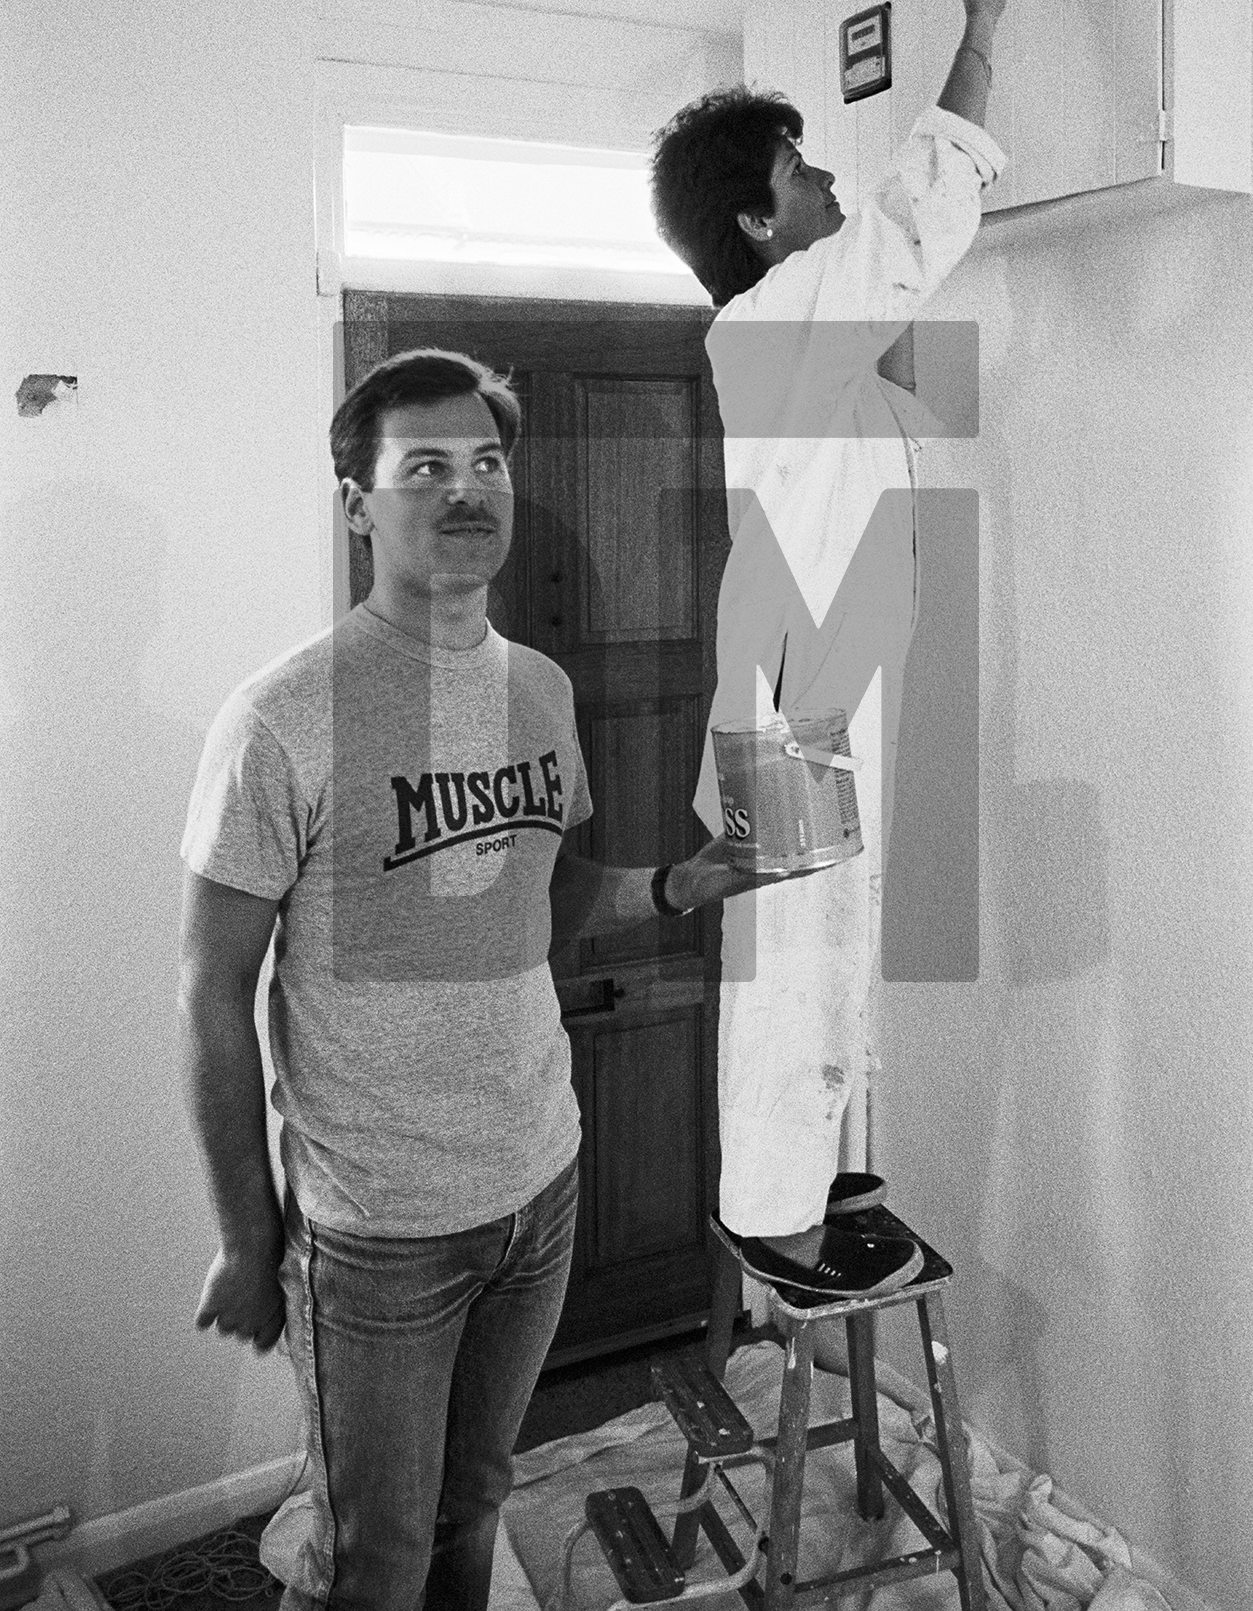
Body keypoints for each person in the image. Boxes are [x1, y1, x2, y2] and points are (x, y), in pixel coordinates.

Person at [178, 347, 831, 1611]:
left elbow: (549, 885)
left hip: (540, 1184)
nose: (467, 489)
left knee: (476, 1504)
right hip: (376, 1228)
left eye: (487, 463)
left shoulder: (539, 687)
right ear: (357, 501)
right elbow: (212, 994)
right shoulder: (279, 719)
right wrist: (246, 1236)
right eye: (425, 465)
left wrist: (686, 883)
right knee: (370, 1555)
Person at [649, 0, 1016, 1249]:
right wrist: (979, 31)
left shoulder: (790, 332)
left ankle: (799, 1189)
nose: (822, 184)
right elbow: (921, 211)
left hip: (804, 673)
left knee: (816, 940)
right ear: (762, 223)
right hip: (800, 684)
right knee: (796, 961)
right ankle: (771, 1218)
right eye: (800, 172)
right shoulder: (779, 317)